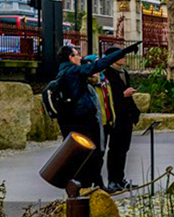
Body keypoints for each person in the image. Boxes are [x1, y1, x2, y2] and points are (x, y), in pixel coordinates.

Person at [53, 42, 138, 189]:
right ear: (70, 57)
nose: (80, 57)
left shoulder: (65, 73)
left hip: (75, 120)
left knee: (90, 154)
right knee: (90, 154)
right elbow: (97, 66)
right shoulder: (73, 72)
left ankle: (93, 184)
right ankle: (82, 186)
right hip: (81, 120)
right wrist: (123, 52)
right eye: (77, 54)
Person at [97, 58, 141, 192]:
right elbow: (109, 96)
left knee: (123, 149)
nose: (124, 59)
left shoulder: (124, 73)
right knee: (115, 149)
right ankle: (112, 180)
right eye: (120, 56)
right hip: (117, 116)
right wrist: (123, 94)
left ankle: (120, 178)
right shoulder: (108, 74)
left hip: (127, 115)